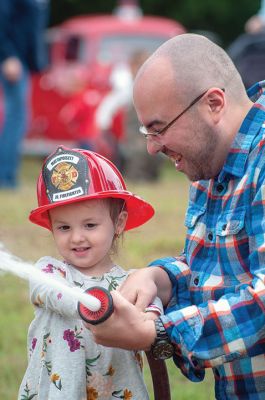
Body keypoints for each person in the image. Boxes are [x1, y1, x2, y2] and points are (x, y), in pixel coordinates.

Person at [85, 34, 265, 400]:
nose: (152, 147)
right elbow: (223, 269)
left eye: (159, 128)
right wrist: (161, 278)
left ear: (214, 103)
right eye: (146, 132)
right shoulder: (209, 158)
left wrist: (160, 333)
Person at [18, 145, 162, 399]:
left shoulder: (130, 284)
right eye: (63, 227)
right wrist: (90, 304)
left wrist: (150, 317)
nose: (76, 237)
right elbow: (48, 292)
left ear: (118, 223)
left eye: (90, 225)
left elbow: (154, 318)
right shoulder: (50, 273)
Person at [0, 0, 49, 188]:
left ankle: (7, 176)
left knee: (19, 118)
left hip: (24, 63)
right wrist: (6, 56)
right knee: (16, 118)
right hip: (12, 60)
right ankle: (6, 177)